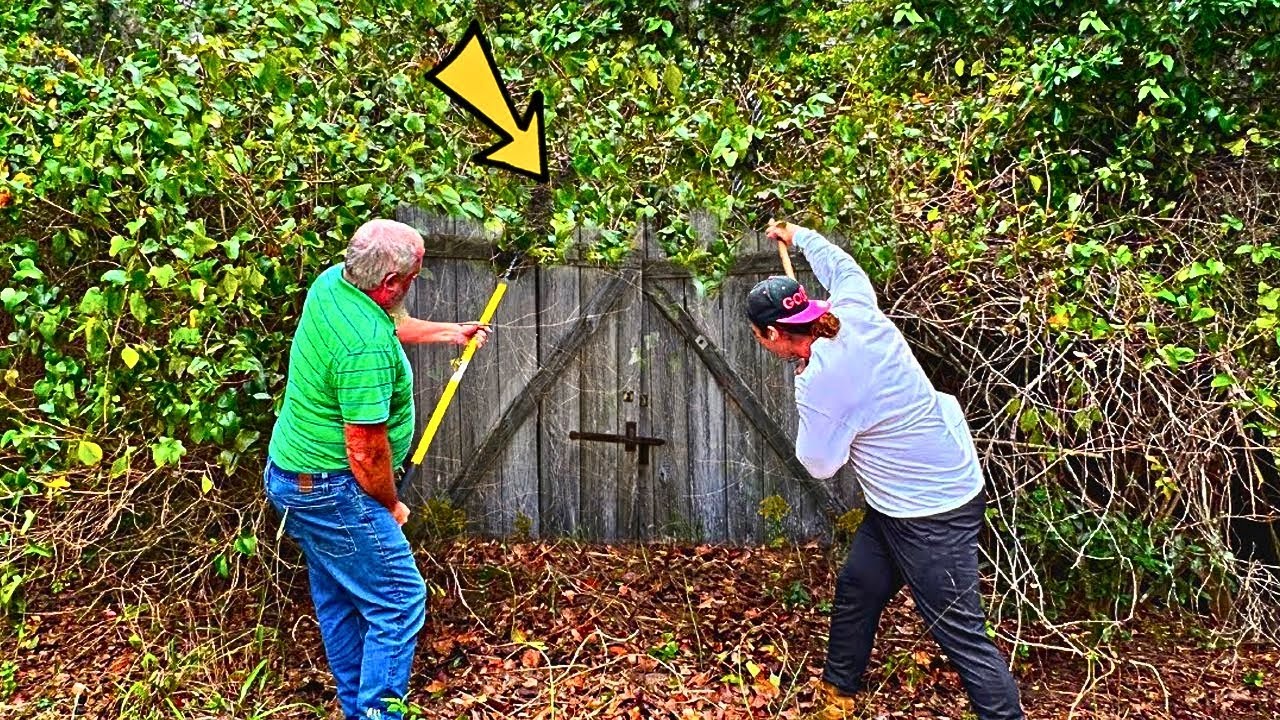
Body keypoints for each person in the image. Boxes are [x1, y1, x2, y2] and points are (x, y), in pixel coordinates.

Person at [747, 222, 1024, 720]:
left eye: (757, 335)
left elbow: (821, 463)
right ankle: (838, 699)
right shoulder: (853, 309)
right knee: (860, 587)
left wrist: (812, 392)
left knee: (960, 634)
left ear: (771, 334)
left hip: (932, 509)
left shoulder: (821, 381)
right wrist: (799, 235)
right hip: (902, 497)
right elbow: (843, 266)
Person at [264, 219, 490, 720]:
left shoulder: (335, 283)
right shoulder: (362, 347)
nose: (414, 282)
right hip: (332, 488)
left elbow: (389, 322)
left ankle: (355, 710)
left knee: (341, 598)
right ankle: (378, 714)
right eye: (412, 276)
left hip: (294, 479)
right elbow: (365, 450)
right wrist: (389, 503)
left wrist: (450, 332)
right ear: (390, 282)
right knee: (399, 599)